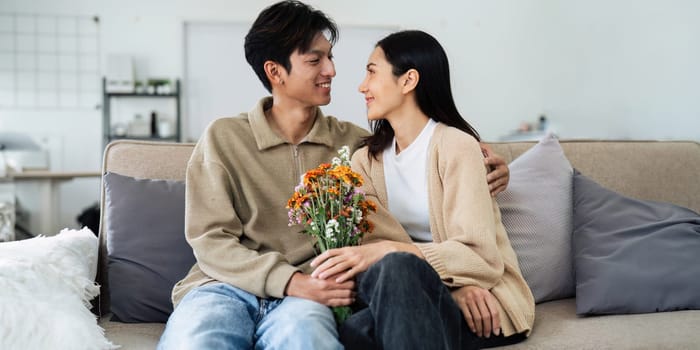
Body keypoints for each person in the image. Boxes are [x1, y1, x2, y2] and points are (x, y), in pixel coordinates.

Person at [157, 2, 511, 349]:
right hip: (223, 287)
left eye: (330, 57)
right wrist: (289, 280)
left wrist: (492, 166)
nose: (331, 70)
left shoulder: (356, 147)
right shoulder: (223, 138)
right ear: (275, 72)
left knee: (309, 341)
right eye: (315, 60)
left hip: (312, 296)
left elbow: (422, 147)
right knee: (196, 341)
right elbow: (210, 240)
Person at [309, 30, 535, 349]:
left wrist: (399, 254)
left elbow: (480, 256)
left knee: (367, 320)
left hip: (482, 304)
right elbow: (372, 252)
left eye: (372, 72)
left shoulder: (455, 147)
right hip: (416, 293)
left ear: (408, 80)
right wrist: (438, 283)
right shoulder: (364, 162)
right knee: (358, 322)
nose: (362, 86)